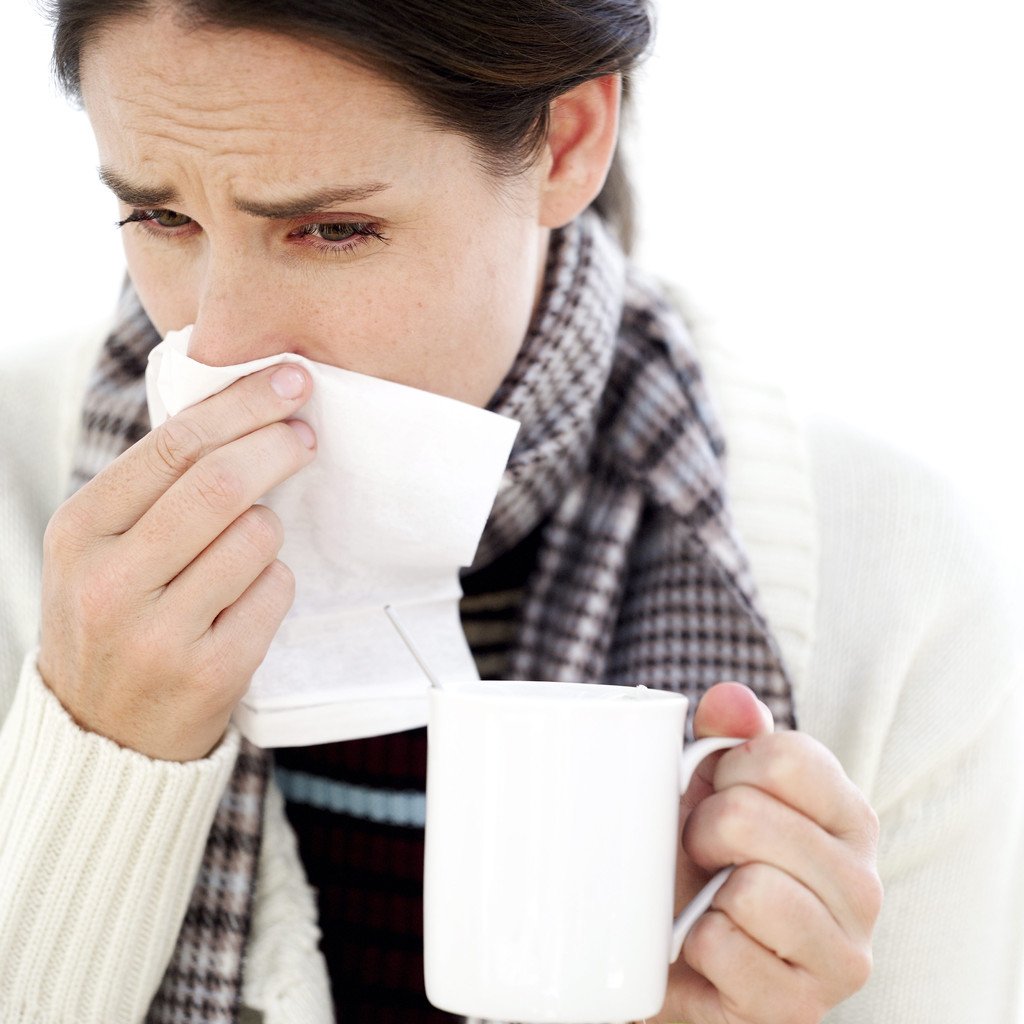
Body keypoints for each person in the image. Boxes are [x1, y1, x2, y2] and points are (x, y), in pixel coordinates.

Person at [0, 2, 1020, 1022]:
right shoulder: (18, 487)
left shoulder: (900, 585)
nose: (218, 345)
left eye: (333, 229)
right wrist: (96, 752)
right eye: (161, 218)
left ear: (566, 141)